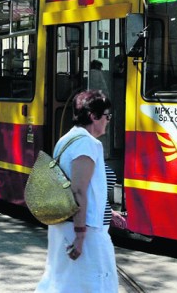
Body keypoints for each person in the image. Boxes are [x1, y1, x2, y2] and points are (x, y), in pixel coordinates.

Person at [36, 90, 126, 293]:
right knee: (91, 286)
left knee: (65, 284)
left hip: (67, 227)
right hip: (85, 232)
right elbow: (77, 191)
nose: (108, 121)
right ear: (93, 116)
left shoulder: (67, 140)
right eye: (106, 116)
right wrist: (80, 236)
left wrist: (107, 212)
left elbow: (84, 188)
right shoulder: (87, 143)